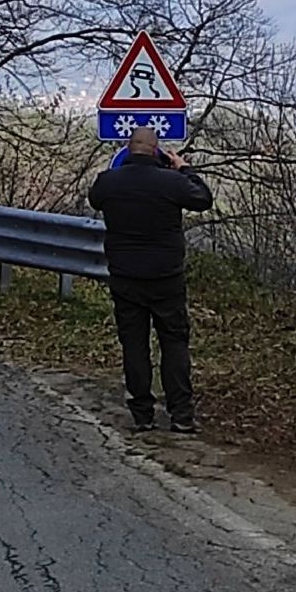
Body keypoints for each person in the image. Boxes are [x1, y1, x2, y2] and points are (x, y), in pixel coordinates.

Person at [88, 125, 214, 433]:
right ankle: (181, 414)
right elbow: (203, 199)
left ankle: (142, 414)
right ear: (157, 152)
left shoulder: (108, 182)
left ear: (129, 149)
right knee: (174, 342)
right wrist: (183, 169)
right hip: (166, 277)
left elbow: (95, 200)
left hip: (125, 276)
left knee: (134, 343)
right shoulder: (171, 182)